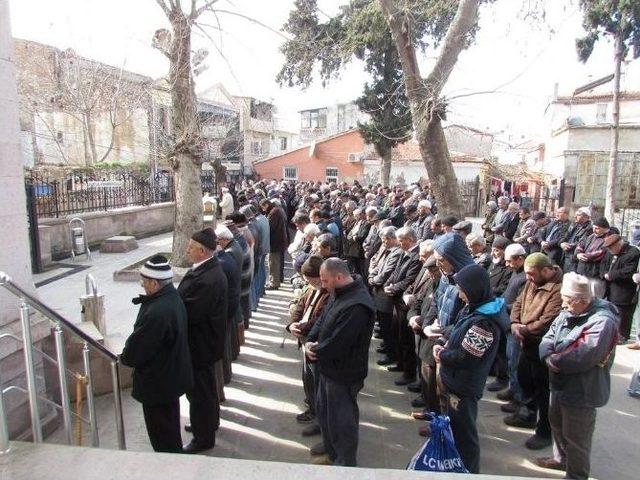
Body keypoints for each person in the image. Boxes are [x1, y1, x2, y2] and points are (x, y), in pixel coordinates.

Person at [536, 272, 619, 480]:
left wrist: (553, 360)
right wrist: (547, 354)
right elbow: (548, 337)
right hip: (559, 383)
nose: (563, 306)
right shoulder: (569, 311)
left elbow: (583, 356)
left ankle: (576, 475)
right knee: (556, 423)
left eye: (566, 302)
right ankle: (561, 459)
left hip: (582, 389)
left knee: (577, 438)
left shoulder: (602, 322)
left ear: (581, 301)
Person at [433, 263, 508, 474]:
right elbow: (459, 329)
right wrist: (444, 335)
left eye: (462, 289)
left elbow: (468, 357)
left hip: (464, 386)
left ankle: (469, 472)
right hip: (455, 380)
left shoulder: (484, 323)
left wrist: (441, 353)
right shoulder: (475, 308)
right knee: (456, 430)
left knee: (465, 436)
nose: (459, 294)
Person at [305, 259, 376, 466]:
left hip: (344, 373)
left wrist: (315, 350)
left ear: (338, 277)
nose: (323, 285)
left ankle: (344, 461)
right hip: (327, 367)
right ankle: (330, 448)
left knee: (342, 419)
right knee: (325, 411)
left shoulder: (358, 305)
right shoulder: (339, 291)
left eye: (325, 281)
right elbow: (323, 319)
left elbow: (340, 342)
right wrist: (310, 339)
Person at [120, 256, 193, 453]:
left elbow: (136, 351)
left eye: (144, 281)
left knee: (162, 437)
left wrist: (124, 357)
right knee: (169, 429)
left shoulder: (158, 311)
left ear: (154, 283)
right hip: (170, 378)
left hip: (159, 383)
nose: (142, 285)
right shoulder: (171, 297)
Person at [178, 228, 228, 453]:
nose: (186, 250)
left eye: (190, 247)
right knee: (205, 390)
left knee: (200, 393)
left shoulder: (208, 278)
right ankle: (208, 423)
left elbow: (192, 312)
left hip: (201, 343)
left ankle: (203, 437)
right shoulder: (206, 269)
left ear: (201, 251)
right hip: (204, 342)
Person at [505, 252, 563, 450]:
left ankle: (544, 431)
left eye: (532, 274)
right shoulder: (532, 281)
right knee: (525, 379)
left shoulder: (558, 289)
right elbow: (519, 303)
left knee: (543, 389)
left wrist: (525, 329)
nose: (528, 277)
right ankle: (528, 414)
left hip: (542, 344)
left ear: (546, 271)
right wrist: (514, 323)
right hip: (525, 340)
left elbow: (549, 318)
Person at [286, 256, 330, 436]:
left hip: (315, 343)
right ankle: (312, 407)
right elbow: (300, 306)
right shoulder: (310, 288)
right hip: (304, 339)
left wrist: (301, 328)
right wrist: (292, 324)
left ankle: (319, 416)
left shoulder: (328, 293)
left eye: (310, 279)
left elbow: (318, 320)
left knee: (317, 381)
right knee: (308, 378)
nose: (308, 282)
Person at [384, 227, 422, 386]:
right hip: (396, 300)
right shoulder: (403, 252)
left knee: (406, 338)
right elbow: (396, 272)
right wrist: (389, 284)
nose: (399, 243)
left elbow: (410, 279)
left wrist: (394, 288)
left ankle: (409, 372)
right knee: (397, 334)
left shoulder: (415, 256)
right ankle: (400, 364)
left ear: (410, 239)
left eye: (402, 240)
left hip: (404, 302)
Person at [497, 243, 528, 413]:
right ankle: (512, 388)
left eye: (510, 261)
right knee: (510, 359)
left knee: (515, 361)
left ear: (520, 259)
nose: (507, 265)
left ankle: (518, 397)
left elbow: (520, 303)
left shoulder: (525, 277)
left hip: (516, 323)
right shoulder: (516, 272)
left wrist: (504, 306)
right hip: (508, 321)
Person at [601, 233, 640, 343]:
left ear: (618, 244)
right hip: (609, 288)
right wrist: (604, 274)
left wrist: (611, 275)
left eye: (611, 247)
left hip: (624, 289)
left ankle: (622, 336)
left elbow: (628, 271)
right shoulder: (610, 253)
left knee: (623, 314)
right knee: (610, 312)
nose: (609, 250)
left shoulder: (633, 252)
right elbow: (603, 264)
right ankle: (611, 334)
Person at [575, 216, 610, 298]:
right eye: (594, 228)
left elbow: (602, 252)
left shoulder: (608, 239)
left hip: (595, 274)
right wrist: (578, 254)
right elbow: (580, 245)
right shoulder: (591, 236)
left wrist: (585, 256)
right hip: (583, 271)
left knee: (594, 297)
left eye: (597, 228)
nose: (594, 230)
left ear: (605, 229)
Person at [261, 198, 288, 290]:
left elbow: (270, 227)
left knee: (273, 263)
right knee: (277, 262)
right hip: (279, 241)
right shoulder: (276, 210)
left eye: (263, 207)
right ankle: (278, 279)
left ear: (266, 205)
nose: (263, 210)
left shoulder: (273, 212)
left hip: (275, 242)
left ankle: (274, 283)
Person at [560, 207, 592, 273]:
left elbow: (582, 242)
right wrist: (562, 243)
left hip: (574, 257)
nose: (575, 216)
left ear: (586, 217)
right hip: (566, 254)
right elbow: (566, 236)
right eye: (576, 214)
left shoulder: (589, 228)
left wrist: (569, 245)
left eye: (578, 215)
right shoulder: (574, 224)